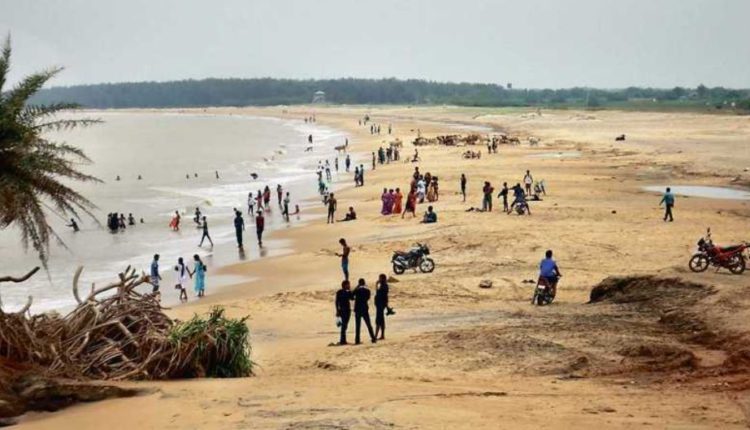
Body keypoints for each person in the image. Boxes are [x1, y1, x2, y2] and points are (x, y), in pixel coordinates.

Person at [352, 278, 377, 344]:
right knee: (369, 324)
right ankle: (373, 338)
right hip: (364, 308)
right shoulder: (367, 290)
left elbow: (352, 295)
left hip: (357, 309)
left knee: (358, 325)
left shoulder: (357, 290)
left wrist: (356, 287)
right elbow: (368, 298)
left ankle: (357, 340)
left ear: (359, 283)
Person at [335, 280, 353, 345]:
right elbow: (337, 302)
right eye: (348, 285)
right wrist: (337, 310)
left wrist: (337, 310)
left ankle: (343, 340)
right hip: (345, 310)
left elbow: (352, 298)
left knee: (344, 326)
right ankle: (343, 340)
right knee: (344, 326)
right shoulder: (342, 292)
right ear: (345, 285)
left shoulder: (341, 292)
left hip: (344, 310)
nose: (349, 286)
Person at [374, 274, 390, 340]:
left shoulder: (384, 286)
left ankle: (375, 335)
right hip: (381, 304)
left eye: (380, 278)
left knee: (378, 320)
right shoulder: (384, 286)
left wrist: (376, 285)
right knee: (381, 320)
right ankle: (381, 335)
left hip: (380, 305)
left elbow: (379, 293)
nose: (379, 279)